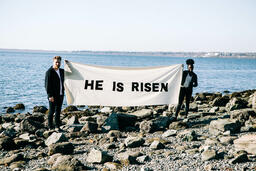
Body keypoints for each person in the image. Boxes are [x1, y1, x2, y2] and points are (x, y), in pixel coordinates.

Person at [45, 56, 64, 130]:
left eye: (59, 62)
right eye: (56, 62)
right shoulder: (49, 72)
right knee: (51, 111)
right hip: (52, 95)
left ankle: (57, 126)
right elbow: (47, 85)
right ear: (53, 62)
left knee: (58, 110)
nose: (57, 63)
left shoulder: (62, 71)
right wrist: (50, 95)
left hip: (60, 94)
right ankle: (50, 126)